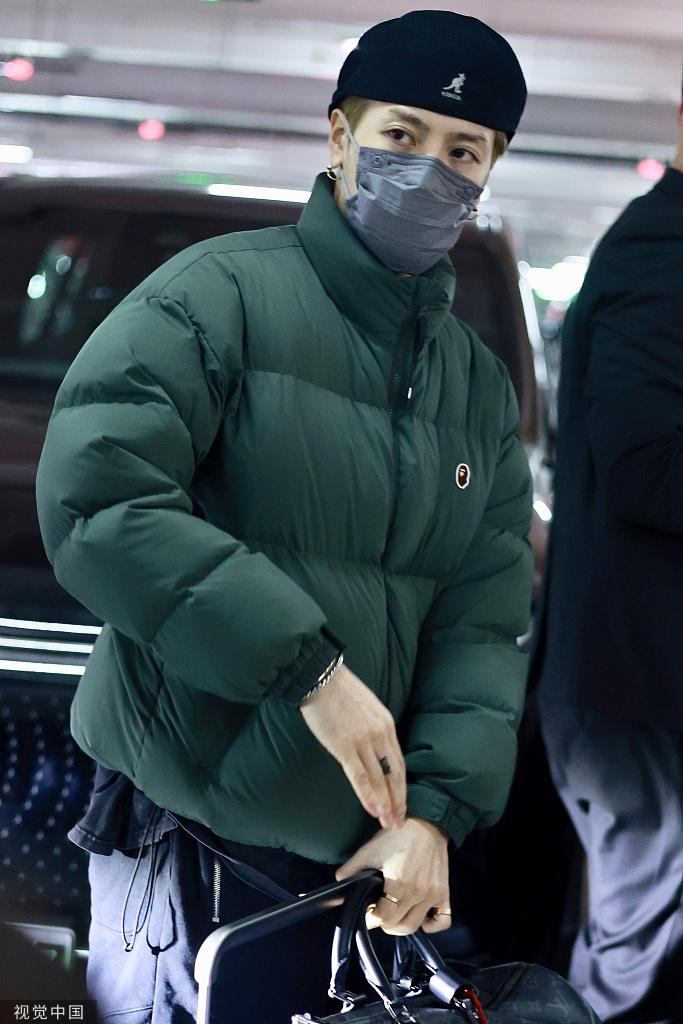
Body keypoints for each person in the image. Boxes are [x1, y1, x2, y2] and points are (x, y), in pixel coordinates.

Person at [36, 11, 533, 1022]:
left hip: (359, 869)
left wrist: (433, 816)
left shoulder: (476, 389)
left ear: (487, 172)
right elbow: (99, 497)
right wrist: (308, 670)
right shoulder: (214, 297)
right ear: (340, 135)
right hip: (188, 835)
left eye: (462, 151)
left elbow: (479, 624)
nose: (429, 169)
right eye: (401, 135)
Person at [531, 80, 683, 1024]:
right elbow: (646, 468)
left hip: (641, 693)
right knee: (634, 982)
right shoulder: (665, 249)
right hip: (643, 699)